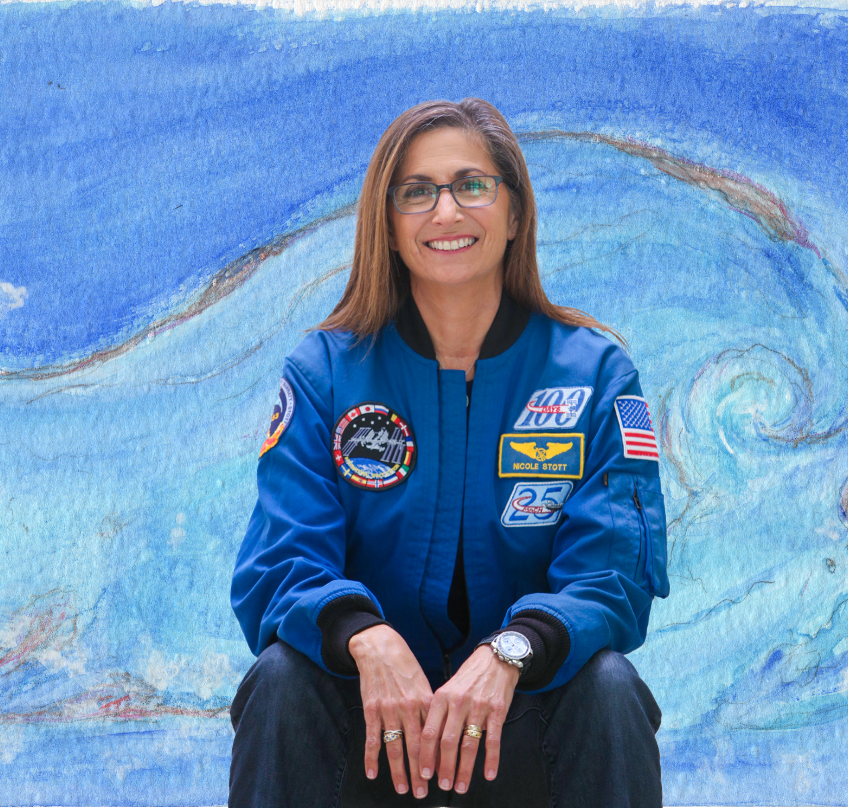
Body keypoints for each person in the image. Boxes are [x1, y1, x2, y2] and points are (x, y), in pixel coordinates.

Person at [229, 98, 669, 807]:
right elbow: (280, 563)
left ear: (515, 213)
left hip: (518, 726)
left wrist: (512, 651)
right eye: (417, 192)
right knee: (280, 679)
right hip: (370, 731)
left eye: (472, 185)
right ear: (390, 226)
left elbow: (614, 578)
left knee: (611, 686)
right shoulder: (324, 373)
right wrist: (367, 640)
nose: (446, 211)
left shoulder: (595, 375)